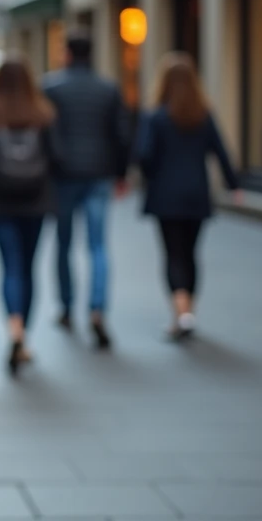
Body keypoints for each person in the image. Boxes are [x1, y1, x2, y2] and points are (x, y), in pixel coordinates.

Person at [136, 53, 241, 341]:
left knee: (173, 254)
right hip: (196, 193)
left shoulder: (155, 117)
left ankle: (181, 313)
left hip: (166, 195)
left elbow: (144, 156)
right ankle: (188, 311)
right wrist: (234, 185)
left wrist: (151, 175)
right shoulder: (203, 115)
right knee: (191, 254)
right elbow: (221, 152)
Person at [43, 29, 131, 350]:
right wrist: (121, 173)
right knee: (97, 245)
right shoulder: (108, 88)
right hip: (99, 174)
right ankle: (97, 307)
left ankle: (66, 306)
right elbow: (122, 135)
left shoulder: (52, 87)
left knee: (64, 243)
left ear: (67, 53)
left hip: (64, 176)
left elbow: (46, 135)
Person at [0, 58, 61, 376]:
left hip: (0, 199)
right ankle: (24, 337)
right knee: (28, 266)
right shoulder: (43, 113)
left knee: (10, 266)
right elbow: (56, 155)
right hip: (36, 199)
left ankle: (13, 329)